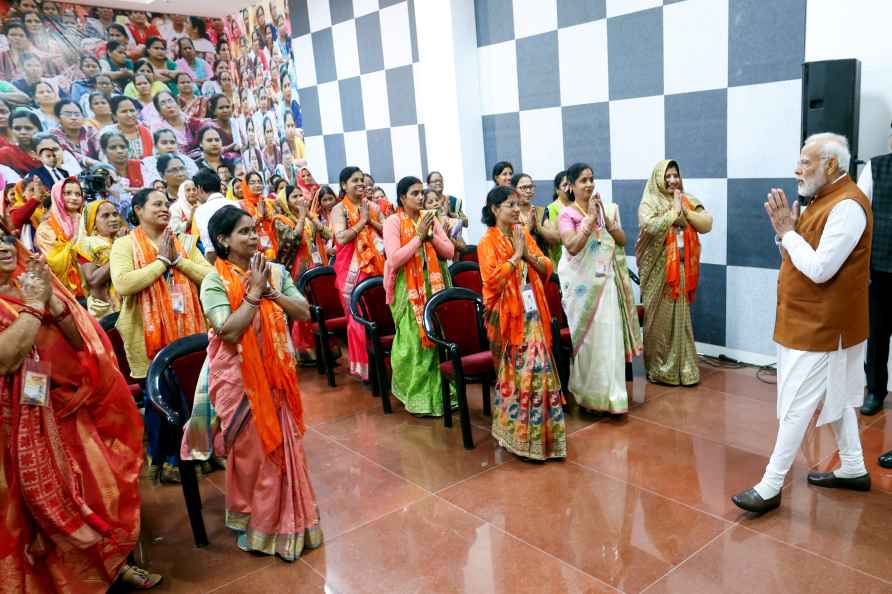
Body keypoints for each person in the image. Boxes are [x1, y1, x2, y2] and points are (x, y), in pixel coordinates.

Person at [0, 227, 162, 590]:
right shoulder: (30, 295)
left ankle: (113, 566)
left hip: (67, 406)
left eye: (4, 239)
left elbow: (80, 343)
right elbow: (6, 358)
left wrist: (55, 306)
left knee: (99, 492)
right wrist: (35, 306)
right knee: (36, 515)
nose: (2, 247)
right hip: (17, 429)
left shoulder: (33, 283)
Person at [732, 133, 873, 513]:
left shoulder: (847, 207)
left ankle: (770, 485)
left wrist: (787, 232)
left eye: (806, 161)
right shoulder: (824, 199)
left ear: (830, 165)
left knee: (796, 405)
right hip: (811, 321)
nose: (797, 168)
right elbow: (800, 254)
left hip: (824, 327)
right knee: (836, 397)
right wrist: (787, 235)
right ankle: (855, 468)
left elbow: (820, 269)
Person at [189, 203, 323, 560]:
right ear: (223, 239)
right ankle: (259, 524)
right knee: (255, 456)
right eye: (244, 231)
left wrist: (270, 292)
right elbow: (229, 331)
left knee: (282, 450)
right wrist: (252, 294)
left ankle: (293, 523)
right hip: (239, 382)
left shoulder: (276, 272)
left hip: (277, 378)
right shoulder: (214, 281)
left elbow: (303, 311)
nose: (254, 236)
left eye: (254, 229)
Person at [110, 188, 211, 482]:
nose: (164, 208)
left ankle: (201, 455)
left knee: (193, 397)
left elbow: (209, 277)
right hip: (147, 337)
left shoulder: (183, 242)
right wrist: (161, 263)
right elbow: (124, 284)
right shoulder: (124, 245)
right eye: (156, 204)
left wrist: (178, 260)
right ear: (138, 210)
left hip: (188, 334)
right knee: (161, 400)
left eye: (166, 204)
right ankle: (167, 461)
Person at [477, 185, 566, 461]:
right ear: (495, 210)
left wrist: (525, 253)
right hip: (506, 319)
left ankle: (542, 438)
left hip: (532, 315)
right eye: (510, 205)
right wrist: (516, 257)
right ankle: (515, 435)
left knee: (539, 376)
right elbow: (492, 282)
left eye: (518, 204)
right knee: (516, 378)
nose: (518, 209)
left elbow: (546, 267)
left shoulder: (523, 234)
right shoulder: (486, 244)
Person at [558, 163, 642, 413]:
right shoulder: (566, 215)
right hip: (582, 291)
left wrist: (607, 220)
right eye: (583, 180)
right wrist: (590, 220)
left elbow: (622, 241)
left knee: (610, 339)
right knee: (590, 342)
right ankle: (588, 396)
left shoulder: (604, 210)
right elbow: (572, 247)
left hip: (606, 285)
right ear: (570, 186)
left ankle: (613, 397)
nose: (589, 184)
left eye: (591, 179)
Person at [636, 160, 713, 386]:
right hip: (657, 272)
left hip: (680, 269)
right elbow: (649, 226)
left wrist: (684, 211)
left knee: (680, 317)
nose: (672, 180)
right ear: (658, 178)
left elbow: (707, 223)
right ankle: (660, 369)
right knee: (658, 321)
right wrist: (673, 213)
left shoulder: (687, 200)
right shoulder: (649, 202)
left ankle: (684, 368)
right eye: (667, 176)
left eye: (675, 175)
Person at [383, 176, 455, 415]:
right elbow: (394, 259)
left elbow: (450, 251)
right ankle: (417, 396)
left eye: (421, 193)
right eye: (414, 193)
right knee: (414, 342)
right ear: (402, 198)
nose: (420, 197)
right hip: (409, 291)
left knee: (438, 338)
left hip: (434, 285)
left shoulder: (429, 219)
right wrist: (418, 237)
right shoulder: (393, 222)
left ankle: (444, 394)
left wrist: (431, 236)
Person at [331, 166, 384, 380]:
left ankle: (385, 363)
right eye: (355, 180)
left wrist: (370, 219)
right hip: (351, 271)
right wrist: (362, 222)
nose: (361, 184)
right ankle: (365, 369)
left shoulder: (372, 206)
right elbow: (341, 238)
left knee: (380, 314)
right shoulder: (339, 210)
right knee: (358, 319)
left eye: (362, 180)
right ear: (344, 185)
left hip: (377, 266)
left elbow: (388, 230)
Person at [857, 131, 892, 416]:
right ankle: (875, 391)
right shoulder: (875, 167)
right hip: (878, 270)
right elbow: (859, 213)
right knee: (877, 337)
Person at [272, 184, 319, 364]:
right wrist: (301, 218)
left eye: (301, 195)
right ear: (285, 202)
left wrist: (309, 218)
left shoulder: (306, 218)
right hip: (296, 268)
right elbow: (291, 241)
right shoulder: (280, 220)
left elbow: (320, 234)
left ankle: (321, 348)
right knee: (301, 305)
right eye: (294, 197)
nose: (300, 199)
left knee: (317, 305)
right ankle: (304, 351)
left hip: (313, 264)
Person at [35, 177, 85, 298]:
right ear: (57, 196)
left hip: (91, 287)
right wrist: (78, 231)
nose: (74, 197)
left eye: (78, 194)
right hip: (62, 292)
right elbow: (54, 261)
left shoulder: (87, 219)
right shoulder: (45, 228)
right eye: (67, 193)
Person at [76, 198, 123, 318]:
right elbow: (93, 280)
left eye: (115, 214)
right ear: (93, 222)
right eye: (105, 216)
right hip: (105, 310)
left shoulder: (123, 240)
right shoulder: (88, 244)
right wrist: (119, 251)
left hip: (129, 305)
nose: (113, 219)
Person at [191, 168, 228, 260]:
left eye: (195, 189)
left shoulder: (201, 211)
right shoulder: (235, 204)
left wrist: (208, 270)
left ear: (199, 188)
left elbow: (211, 250)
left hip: (222, 266)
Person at [0, 107, 41, 175]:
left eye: (28, 128)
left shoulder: (51, 148)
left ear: (39, 129)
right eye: (17, 128)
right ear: (11, 130)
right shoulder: (6, 153)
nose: (23, 132)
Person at [544, 170, 571, 264]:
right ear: (557, 190)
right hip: (560, 262)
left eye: (571, 184)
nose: (569, 188)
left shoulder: (580, 206)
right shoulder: (549, 209)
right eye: (565, 185)